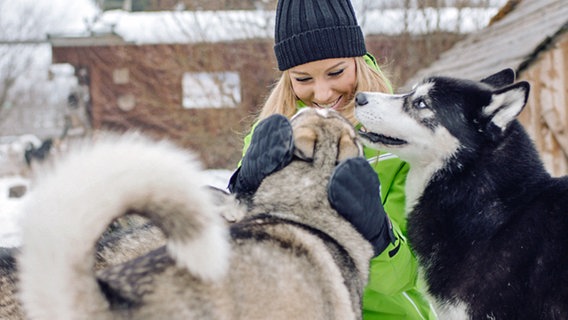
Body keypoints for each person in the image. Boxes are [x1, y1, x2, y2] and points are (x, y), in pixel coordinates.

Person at [228, 0, 437, 319]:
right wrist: (244, 190)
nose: (322, 93)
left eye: (335, 72)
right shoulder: (272, 132)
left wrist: (378, 232)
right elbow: (244, 253)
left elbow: (412, 276)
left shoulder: (404, 137)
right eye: (303, 78)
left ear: (358, 61)